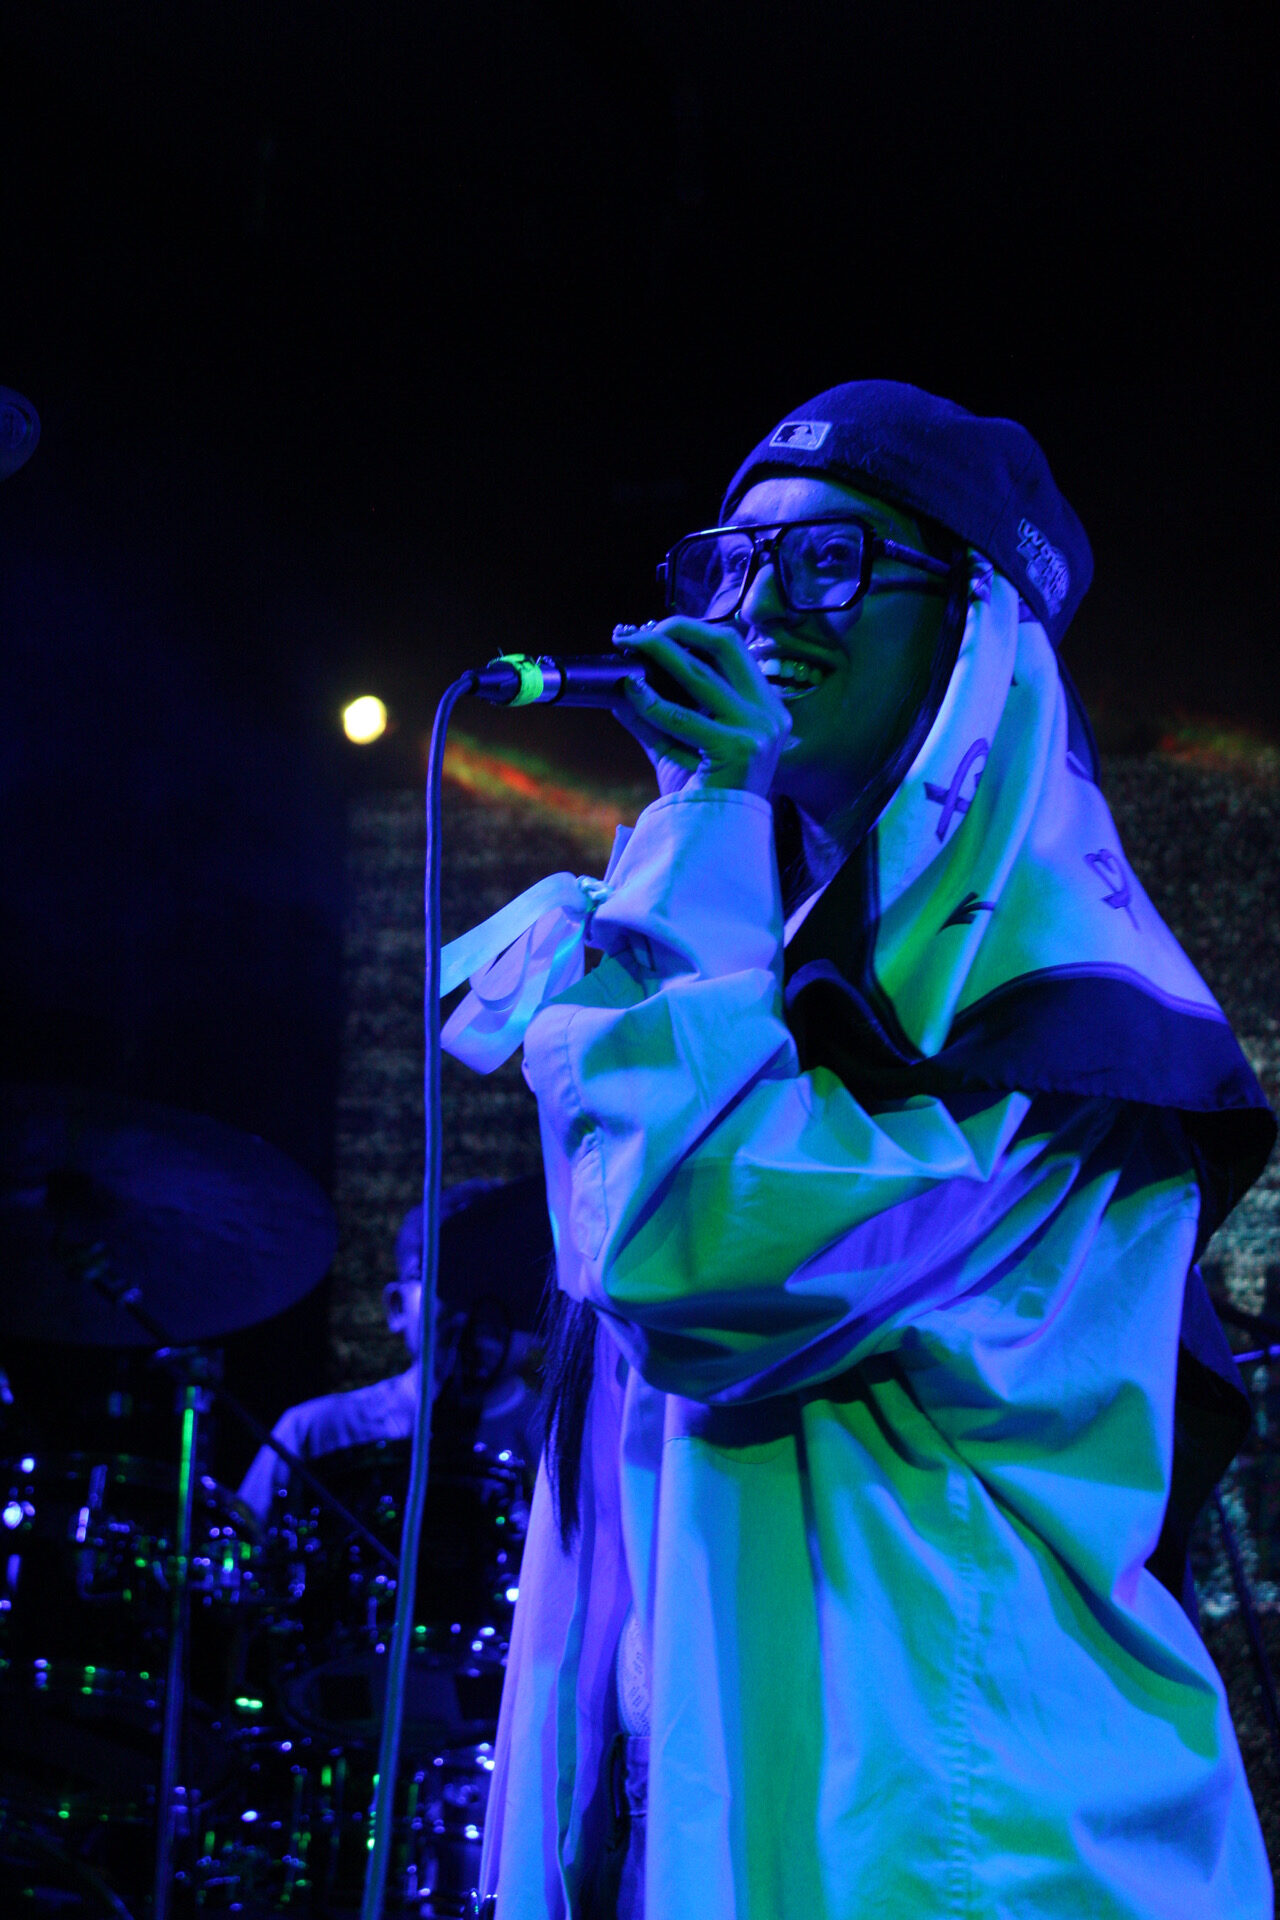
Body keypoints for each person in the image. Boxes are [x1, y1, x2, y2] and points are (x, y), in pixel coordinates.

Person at [447, 382, 1275, 1917]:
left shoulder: (1060, 1026)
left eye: (831, 560)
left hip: (972, 1849)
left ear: (978, 645)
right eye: (732, 564)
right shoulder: (751, 974)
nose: (759, 611)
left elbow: (685, 1250)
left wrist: (706, 819)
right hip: (770, 1828)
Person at [239, 1189, 540, 1522]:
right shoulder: (314, 1434)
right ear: (397, 1307)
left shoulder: (565, 1447)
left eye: (506, 1277)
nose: (481, 1300)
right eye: (452, 1275)